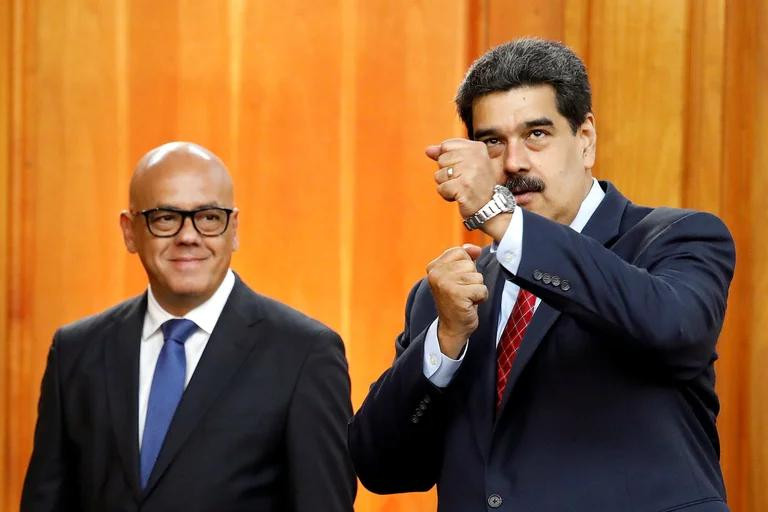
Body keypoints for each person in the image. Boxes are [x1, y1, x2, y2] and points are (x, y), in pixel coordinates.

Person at [349, 38, 734, 511]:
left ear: (586, 139)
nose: (513, 163)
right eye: (492, 142)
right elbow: (382, 467)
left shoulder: (675, 237)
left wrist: (503, 219)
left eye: (536, 134)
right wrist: (445, 341)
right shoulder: (450, 294)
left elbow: (674, 329)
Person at [22, 142, 356, 511]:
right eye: (165, 217)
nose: (188, 235)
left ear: (234, 229)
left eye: (209, 217)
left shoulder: (303, 354)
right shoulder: (75, 351)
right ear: (130, 230)